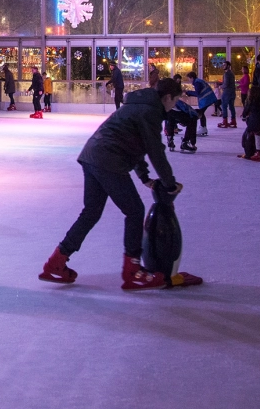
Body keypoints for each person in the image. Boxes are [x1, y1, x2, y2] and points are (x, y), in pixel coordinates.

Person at [39, 78, 187, 290]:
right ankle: (133, 271)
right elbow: (155, 151)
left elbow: (134, 143)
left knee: (91, 212)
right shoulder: (151, 111)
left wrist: (145, 178)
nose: (175, 105)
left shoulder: (139, 105)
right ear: (167, 97)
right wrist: (169, 183)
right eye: (176, 100)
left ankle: (56, 262)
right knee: (135, 211)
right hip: (108, 160)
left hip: (92, 155)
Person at [239, 85, 260, 161]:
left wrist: (244, 116)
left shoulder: (251, 102)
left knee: (252, 136)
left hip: (254, 122)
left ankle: (254, 153)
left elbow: (246, 110)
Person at [185, 72, 216, 136]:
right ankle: (203, 127)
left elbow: (197, 93)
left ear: (192, 78)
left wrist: (188, 92)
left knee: (200, 113)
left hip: (207, 99)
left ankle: (203, 128)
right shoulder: (199, 81)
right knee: (201, 113)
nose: (189, 81)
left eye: (189, 79)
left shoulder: (197, 82)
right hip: (208, 98)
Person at [218, 61, 237, 129]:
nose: (223, 66)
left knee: (224, 106)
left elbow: (226, 84)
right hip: (232, 92)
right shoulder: (232, 73)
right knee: (231, 107)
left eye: (224, 65)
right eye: (223, 65)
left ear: (228, 66)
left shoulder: (226, 74)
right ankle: (233, 121)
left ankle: (225, 121)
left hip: (227, 92)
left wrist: (221, 86)